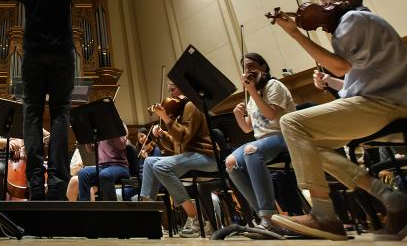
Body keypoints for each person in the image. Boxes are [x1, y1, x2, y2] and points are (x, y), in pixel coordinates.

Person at [269, 0, 407, 241]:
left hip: (386, 104)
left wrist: (295, 34)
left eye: (326, 0)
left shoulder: (353, 20)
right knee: (306, 144)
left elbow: (342, 66)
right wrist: (332, 82)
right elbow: (359, 74)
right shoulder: (363, 21)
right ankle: (393, 199)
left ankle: (323, 216)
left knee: (291, 123)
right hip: (390, 102)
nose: (321, 8)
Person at [0, 0, 130, 200]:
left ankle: (36, 186)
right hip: (62, 58)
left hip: (33, 59)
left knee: (31, 115)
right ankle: (58, 187)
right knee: (61, 114)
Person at [225, 53, 296, 235]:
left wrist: (253, 93)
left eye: (252, 66)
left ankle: (267, 216)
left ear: (263, 67)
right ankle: (268, 218)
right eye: (245, 68)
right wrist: (238, 115)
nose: (248, 70)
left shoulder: (274, 85)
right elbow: (248, 128)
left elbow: (271, 115)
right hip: (262, 142)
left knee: (251, 150)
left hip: (284, 136)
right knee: (230, 162)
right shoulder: (251, 95)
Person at [139, 81, 216, 238]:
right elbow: (175, 146)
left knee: (161, 167)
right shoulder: (180, 111)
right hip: (190, 157)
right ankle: (148, 213)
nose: (171, 95)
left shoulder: (192, 105)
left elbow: (183, 136)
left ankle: (196, 218)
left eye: (173, 89)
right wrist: (162, 135)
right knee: (149, 161)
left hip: (206, 157)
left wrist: (166, 118)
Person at [77, 121, 129, 201]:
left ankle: (112, 208)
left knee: (105, 174)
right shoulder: (98, 129)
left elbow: (121, 145)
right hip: (102, 166)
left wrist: (110, 129)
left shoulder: (120, 125)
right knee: (83, 173)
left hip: (119, 166)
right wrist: (87, 138)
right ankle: (85, 207)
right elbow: (91, 149)